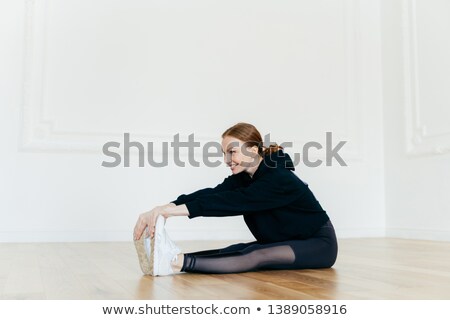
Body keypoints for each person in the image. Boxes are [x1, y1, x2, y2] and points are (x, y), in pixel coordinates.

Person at [133, 122, 338, 276]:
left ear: (253, 150)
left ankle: (174, 263)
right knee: (240, 249)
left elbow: (233, 202)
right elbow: (213, 194)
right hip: (288, 240)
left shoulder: (279, 178)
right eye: (224, 153)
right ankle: (170, 257)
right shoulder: (244, 177)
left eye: (232, 152)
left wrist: (170, 212)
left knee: (257, 255)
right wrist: (164, 208)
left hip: (318, 244)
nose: (226, 160)